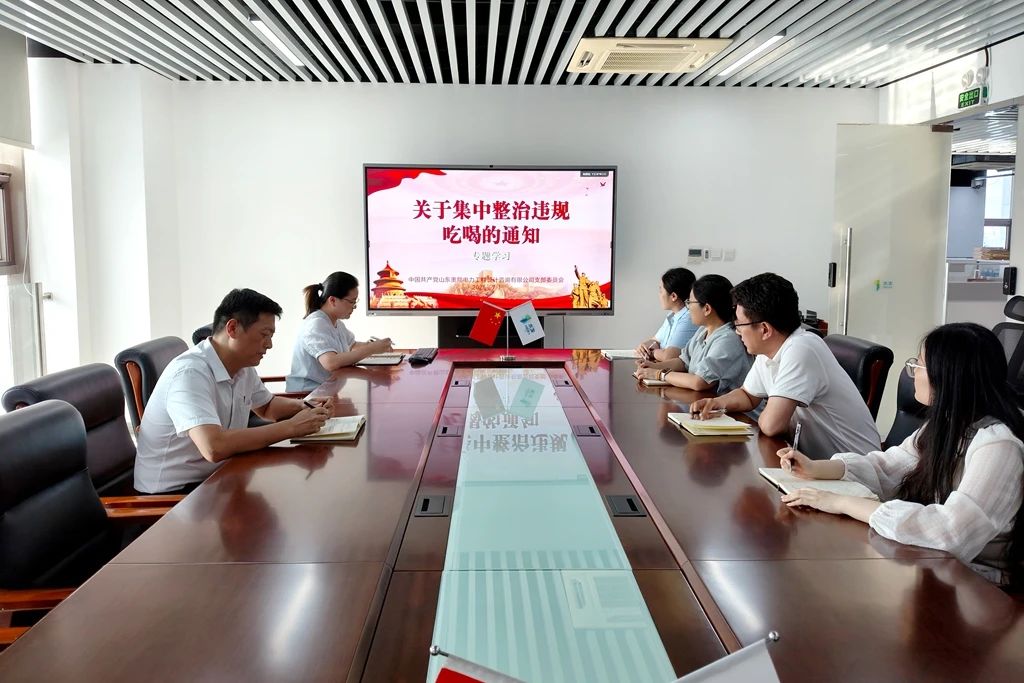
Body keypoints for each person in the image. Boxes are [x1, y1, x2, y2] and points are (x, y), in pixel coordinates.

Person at [779, 323, 1024, 588]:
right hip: (938, 566)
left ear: (948, 376)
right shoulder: (948, 422)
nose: (913, 372)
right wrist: (816, 468)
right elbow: (889, 466)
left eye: (919, 365)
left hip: (984, 586)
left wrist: (843, 503)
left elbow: (951, 532)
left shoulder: (999, 445)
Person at [135, 288, 333, 494]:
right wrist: (291, 427)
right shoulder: (190, 373)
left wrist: (305, 406)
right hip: (174, 494)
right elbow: (214, 447)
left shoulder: (242, 366)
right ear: (232, 328)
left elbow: (268, 407)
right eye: (264, 335)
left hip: (220, 474)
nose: (270, 344)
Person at [691, 272, 879, 458]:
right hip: (813, 463)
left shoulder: (802, 348)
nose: (737, 331)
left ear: (765, 329)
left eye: (739, 324)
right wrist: (717, 403)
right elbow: (748, 395)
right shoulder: (769, 350)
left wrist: (768, 414)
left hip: (853, 467)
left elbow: (772, 425)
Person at [634, 274, 751, 394]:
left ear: (707, 309)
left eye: (690, 302)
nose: (688, 307)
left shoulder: (728, 339)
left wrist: (659, 374)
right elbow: (683, 362)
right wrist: (652, 366)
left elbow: (699, 382)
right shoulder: (703, 331)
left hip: (725, 405)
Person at [286, 271, 393, 392]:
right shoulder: (316, 324)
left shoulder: (337, 323)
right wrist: (372, 349)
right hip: (308, 395)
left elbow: (352, 346)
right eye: (351, 302)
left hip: (327, 390)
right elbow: (331, 362)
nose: (354, 307)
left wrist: (377, 346)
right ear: (332, 300)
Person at [634, 267, 699, 362]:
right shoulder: (673, 316)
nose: (659, 295)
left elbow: (669, 356)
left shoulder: (689, 318)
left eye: (661, 291)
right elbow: (656, 341)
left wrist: (652, 352)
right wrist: (644, 346)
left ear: (673, 296)